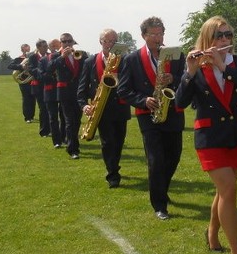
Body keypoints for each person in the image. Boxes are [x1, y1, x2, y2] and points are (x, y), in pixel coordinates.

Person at [177, 16, 237, 254]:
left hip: (236, 135)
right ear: (207, 38)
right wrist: (189, 72)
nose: (225, 40)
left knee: (225, 191)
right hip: (210, 138)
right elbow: (179, 103)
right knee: (229, 189)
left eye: (228, 35)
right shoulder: (195, 65)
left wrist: (223, 66)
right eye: (219, 36)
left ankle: (212, 230)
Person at [117, 16, 185, 220]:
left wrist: (174, 78)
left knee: (173, 156)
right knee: (155, 160)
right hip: (148, 115)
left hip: (172, 112)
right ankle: (159, 205)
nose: (158, 38)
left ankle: (161, 189)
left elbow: (187, 78)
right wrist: (143, 99)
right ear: (144, 36)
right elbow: (123, 90)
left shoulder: (176, 55)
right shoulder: (132, 59)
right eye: (154, 34)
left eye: (160, 33)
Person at [77, 29, 130, 188]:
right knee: (107, 142)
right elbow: (81, 88)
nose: (110, 44)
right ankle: (112, 174)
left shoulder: (125, 60)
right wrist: (84, 105)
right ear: (101, 42)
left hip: (120, 107)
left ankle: (114, 165)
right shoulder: (90, 61)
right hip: (101, 108)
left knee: (118, 142)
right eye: (107, 41)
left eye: (113, 41)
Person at [52, 32, 86, 159]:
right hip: (64, 92)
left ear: (73, 42)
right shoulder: (55, 56)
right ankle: (73, 149)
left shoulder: (80, 55)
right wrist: (61, 57)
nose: (67, 43)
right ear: (60, 43)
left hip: (78, 92)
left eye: (69, 41)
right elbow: (49, 69)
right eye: (64, 41)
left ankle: (72, 143)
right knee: (69, 120)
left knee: (77, 120)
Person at [37, 39, 63, 149]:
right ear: (49, 47)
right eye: (52, 45)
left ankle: (65, 137)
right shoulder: (43, 60)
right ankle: (56, 141)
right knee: (53, 117)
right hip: (50, 91)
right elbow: (40, 76)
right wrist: (53, 76)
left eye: (57, 45)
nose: (55, 47)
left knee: (64, 117)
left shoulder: (63, 57)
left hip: (62, 91)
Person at [29, 40, 50, 138]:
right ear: (38, 47)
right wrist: (41, 69)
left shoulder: (50, 55)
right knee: (43, 109)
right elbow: (31, 70)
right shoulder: (33, 57)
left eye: (46, 46)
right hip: (38, 86)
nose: (46, 47)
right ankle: (43, 131)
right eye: (44, 46)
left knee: (50, 109)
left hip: (49, 85)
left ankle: (51, 129)